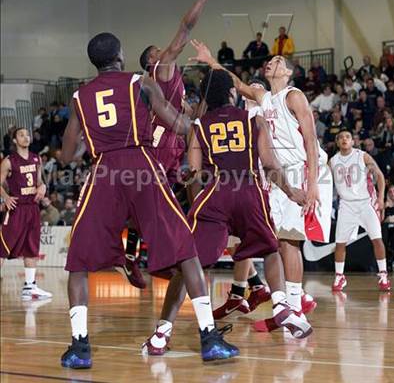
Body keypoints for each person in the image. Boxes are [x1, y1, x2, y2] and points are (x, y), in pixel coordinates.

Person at [60, 32, 237, 369]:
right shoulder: (140, 83)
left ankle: (80, 346)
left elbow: (68, 154)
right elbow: (182, 126)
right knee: (185, 249)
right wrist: (195, 115)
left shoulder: (79, 97)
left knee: (78, 260)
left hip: (103, 171)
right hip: (142, 166)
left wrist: (92, 138)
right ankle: (209, 338)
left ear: (95, 62)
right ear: (121, 55)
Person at [142, 70, 312, 355]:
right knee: (270, 250)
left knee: (188, 263)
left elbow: (194, 174)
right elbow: (270, 164)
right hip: (249, 190)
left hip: (216, 194)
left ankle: (162, 333)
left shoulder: (198, 124)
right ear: (232, 94)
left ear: (207, 98)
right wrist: (292, 192)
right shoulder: (253, 119)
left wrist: (195, 204)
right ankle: (281, 305)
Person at [190, 40, 333, 323]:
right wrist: (210, 61)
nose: (272, 62)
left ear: (288, 73)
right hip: (276, 173)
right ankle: (285, 303)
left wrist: (312, 183)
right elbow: (231, 83)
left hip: (301, 169)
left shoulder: (294, 96)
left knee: (289, 240)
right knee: (275, 239)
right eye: (271, 60)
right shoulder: (261, 96)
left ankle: (293, 308)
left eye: (279, 61)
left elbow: (311, 141)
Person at [128, 0, 219, 270]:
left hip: (171, 148)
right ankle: (168, 254)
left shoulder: (174, 81)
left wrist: (209, 91)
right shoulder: (160, 70)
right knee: (165, 205)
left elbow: (191, 119)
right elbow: (184, 30)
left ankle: (140, 250)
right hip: (158, 149)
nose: (164, 51)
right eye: (157, 51)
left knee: (165, 201)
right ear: (151, 62)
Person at [330, 130, 391, 292]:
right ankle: (339, 276)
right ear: (337, 142)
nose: (344, 139)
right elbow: (325, 184)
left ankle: (383, 274)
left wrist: (380, 198)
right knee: (340, 243)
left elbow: (379, 175)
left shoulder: (362, 156)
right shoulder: (333, 161)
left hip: (366, 203)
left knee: (377, 239)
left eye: (347, 137)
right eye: (341, 137)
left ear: (352, 141)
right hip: (346, 205)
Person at [0, 128, 52, 300]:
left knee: (31, 247)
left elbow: (39, 181)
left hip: (32, 208)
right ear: (15, 140)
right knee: (3, 248)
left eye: (27, 134)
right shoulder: (9, 161)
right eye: (21, 135)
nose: (26, 137)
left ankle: (30, 287)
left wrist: (43, 186)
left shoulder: (36, 159)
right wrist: (6, 197)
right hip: (17, 208)